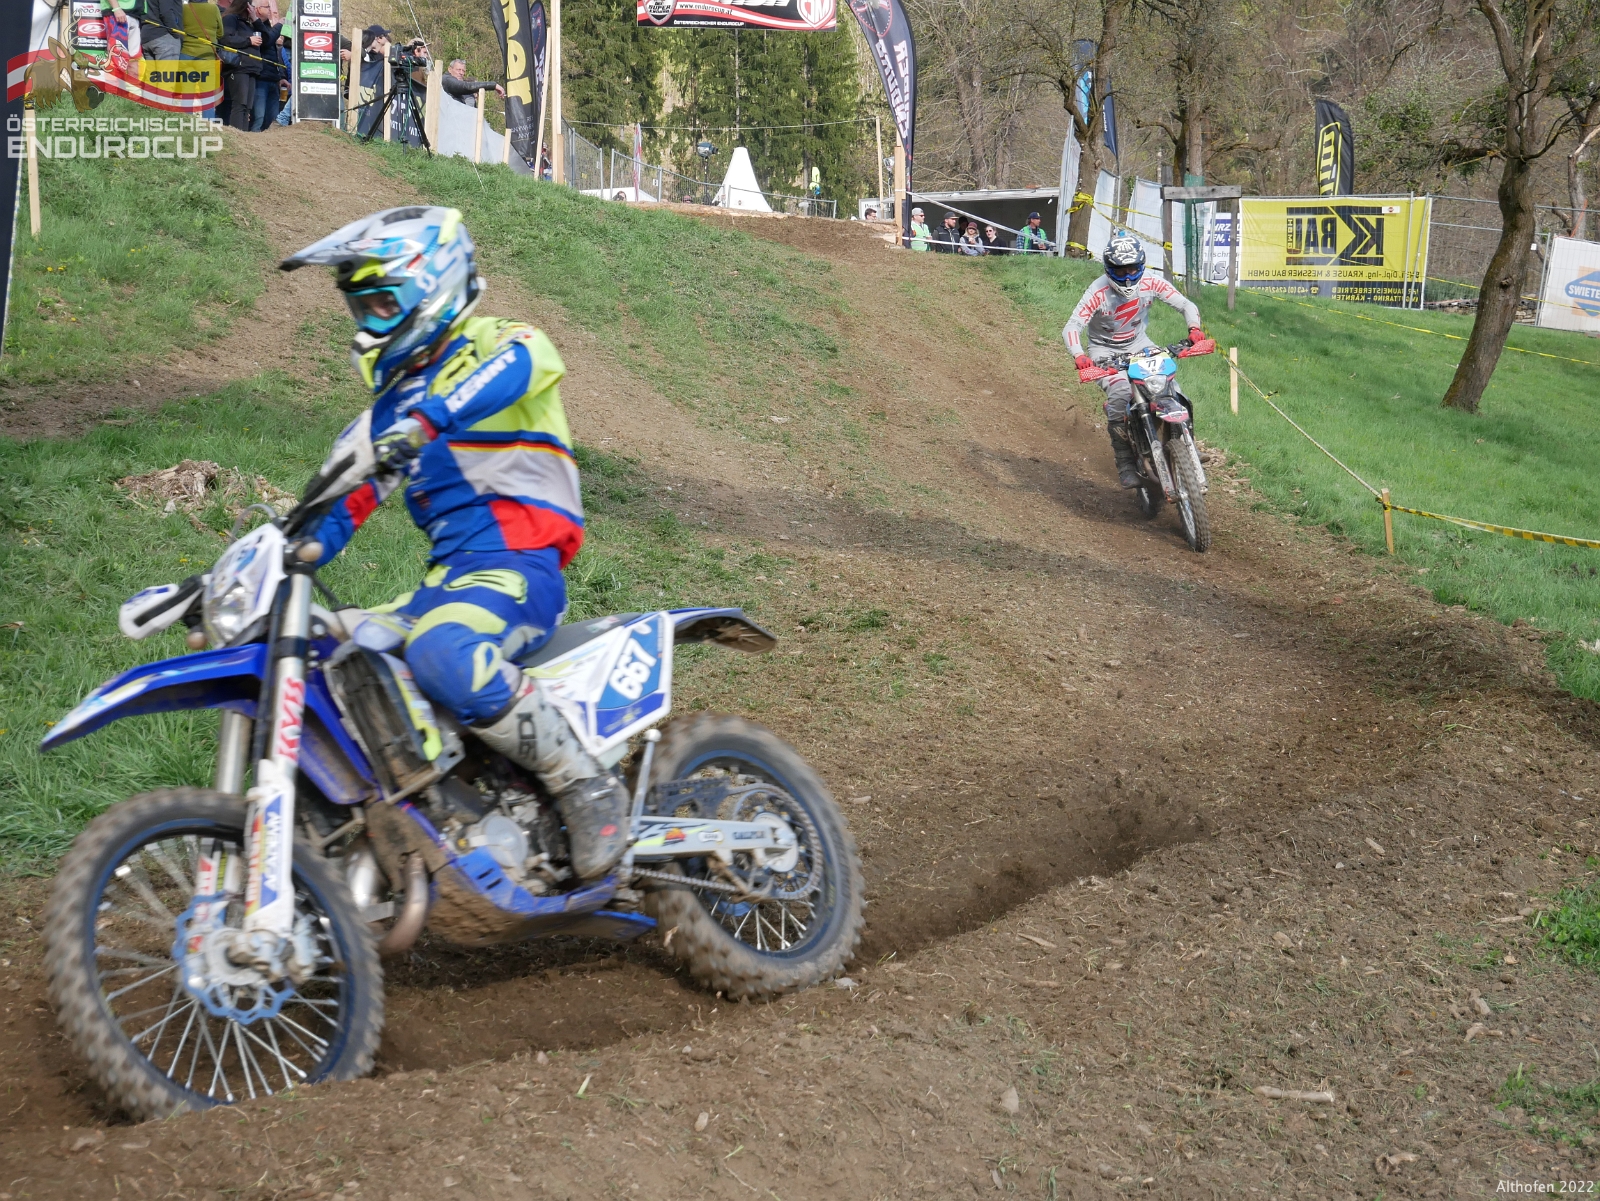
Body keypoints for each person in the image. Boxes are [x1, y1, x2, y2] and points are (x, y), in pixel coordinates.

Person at [281, 206, 630, 881]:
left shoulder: (501, 342)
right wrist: (277, 555)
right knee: (323, 646)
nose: (368, 320)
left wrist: (429, 417)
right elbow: (338, 506)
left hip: (519, 569)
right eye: (360, 307)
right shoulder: (389, 412)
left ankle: (583, 780)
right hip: (446, 584)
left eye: (383, 302)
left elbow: (522, 363)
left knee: (442, 649)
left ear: (431, 285)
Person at [1064, 228, 1205, 489]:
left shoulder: (1151, 281)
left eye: (1132, 269)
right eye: (1121, 271)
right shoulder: (1097, 291)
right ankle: (1125, 462)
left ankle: (1188, 446)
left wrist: (1194, 328)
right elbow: (1072, 326)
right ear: (1109, 269)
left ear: (1142, 266)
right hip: (1104, 350)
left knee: (1171, 387)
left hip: (1140, 344)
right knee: (1120, 393)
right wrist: (1080, 355)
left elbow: (1185, 304)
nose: (1128, 276)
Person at [219, 0, 262, 132]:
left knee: (247, 106)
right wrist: (248, 40)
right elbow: (226, 39)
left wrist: (256, 20)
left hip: (252, 67)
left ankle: (244, 135)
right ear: (245, 6)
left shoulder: (250, 24)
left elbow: (266, 38)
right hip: (238, 67)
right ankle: (237, 134)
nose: (253, 8)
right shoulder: (230, 19)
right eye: (251, 5)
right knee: (240, 103)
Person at [179, 0, 223, 119]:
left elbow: (179, 28)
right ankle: (208, 125)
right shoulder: (213, 9)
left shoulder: (184, 9)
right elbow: (221, 33)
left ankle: (186, 123)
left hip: (186, 54)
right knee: (207, 95)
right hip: (206, 56)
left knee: (187, 93)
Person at [356, 25, 391, 137]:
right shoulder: (366, 54)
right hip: (363, 92)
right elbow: (360, 56)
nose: (386, 38)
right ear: (377, 38)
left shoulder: (376, 55)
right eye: (384, 36)